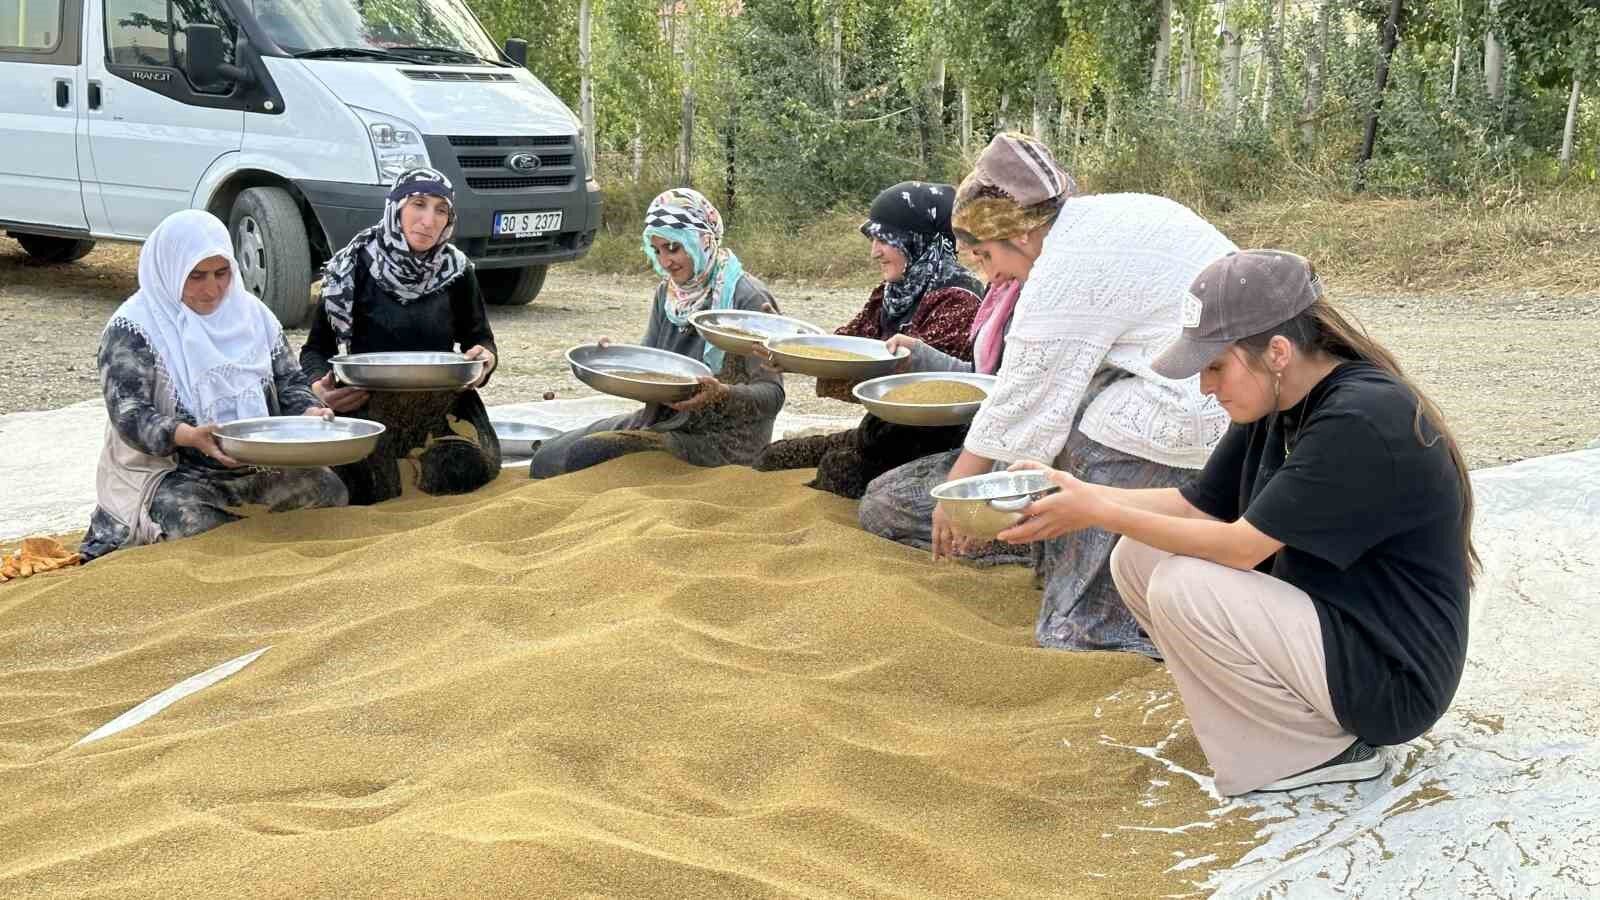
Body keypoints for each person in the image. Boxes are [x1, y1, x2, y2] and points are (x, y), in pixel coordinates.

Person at [998, 250, 1475, 796]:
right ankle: (1278, 728)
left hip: (1391, 676)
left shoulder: (1361, 417)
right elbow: (1195, 506)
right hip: (1334, 626)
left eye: (1215, 365)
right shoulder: (1280, 396)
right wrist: (1074, 492)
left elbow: (1240, 548)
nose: (1205, 386)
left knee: (1184, 585)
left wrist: (1096, 511)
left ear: (1277, 351)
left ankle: (1321, 753)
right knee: (1137, 557)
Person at [858, 133, 1234, 656]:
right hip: (1220, 400)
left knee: (1069, 634)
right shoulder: (1097, 220)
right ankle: (1057, 548)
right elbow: (1030, 399)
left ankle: (1099, 623)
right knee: (1069, 418)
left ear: (1022, 233)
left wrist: (959, 491)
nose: (991, 274)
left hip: (1207, 408)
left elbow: (1023, 397)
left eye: (986, 255)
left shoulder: (1065, 266)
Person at [80, 210, 347, 561]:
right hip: (179, 474)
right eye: (196, 276)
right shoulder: (133, 330)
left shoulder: (253, 316)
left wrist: (308, 410)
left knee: (329, 490)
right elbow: (130, 415)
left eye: (222, 273)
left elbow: (289, 380)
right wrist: (187, 435)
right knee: (191, 521)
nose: (212, 289)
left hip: (255, 467)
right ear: (171, 270)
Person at [527, 188, 785, 477]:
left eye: (673, 248)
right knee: (547, 457)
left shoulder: (747, 299)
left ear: (703, 240)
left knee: (585, 455)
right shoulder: (669, 294)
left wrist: (720, 394)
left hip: (721, 441)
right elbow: (649, 370)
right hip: (662, 420)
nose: (665, 262)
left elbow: (772, 396)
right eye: (657, 250)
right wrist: (614, 360)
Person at [754, 181, 984, 498]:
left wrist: (816, 367)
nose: (874, 251)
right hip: (879, 435)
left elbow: (910, 393)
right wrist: (791, 347)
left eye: (884, 239)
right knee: (773, 457)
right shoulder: (893, 292)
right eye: (873, 239)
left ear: (918, 239)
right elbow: (847, 346)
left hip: (928, 448)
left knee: (839, 471)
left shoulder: (958, 300)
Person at [300, 168, 501, 505]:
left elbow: (480, 339)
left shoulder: (457, 270)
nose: (429, 220)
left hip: (443, 404)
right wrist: (319, 391)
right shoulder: (351, 267)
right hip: (366, 405)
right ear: (396, 208)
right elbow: (315, 350)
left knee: (467, 468)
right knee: (371, 485)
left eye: (441, 210)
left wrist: (485, 360)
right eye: (418, 204)